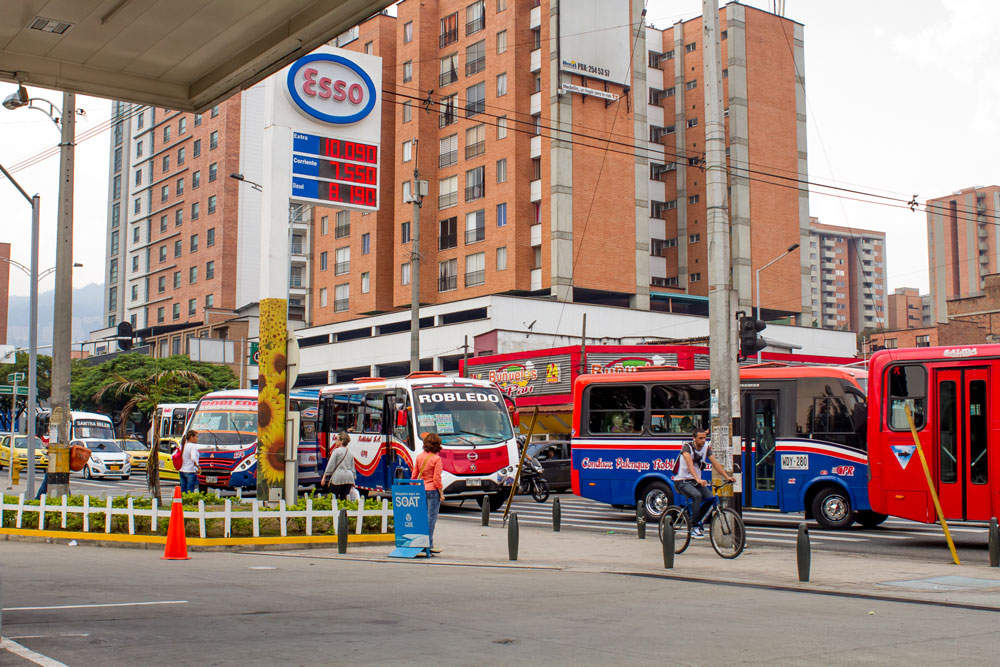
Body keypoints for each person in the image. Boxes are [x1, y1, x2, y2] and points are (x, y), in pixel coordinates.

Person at [674, 428, 734, 538]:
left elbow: (715, 463)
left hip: (695, 481)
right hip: (682, 481)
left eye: (705, 438)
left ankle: (696, 519)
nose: (703, 440)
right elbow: (690, 465)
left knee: (710, 498)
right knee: (697, 495)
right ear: (694, 439)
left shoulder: (706, 447)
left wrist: (727, 477)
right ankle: (694, 527)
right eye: (700, 438)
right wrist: (698, 479)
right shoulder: (687, 448)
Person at [413, 433, 444, 555]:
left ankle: (420, 542)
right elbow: (437, 479)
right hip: (432, 490)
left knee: (422, 517)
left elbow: (414, 475)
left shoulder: (419, 457)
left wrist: (413, 488)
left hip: (421, 489)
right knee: (431, 518)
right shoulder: (436, 459)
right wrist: (441, 493)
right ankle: (428, 543)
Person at [321, 431, 356, 500]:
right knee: (345, 499)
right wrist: (353, 480)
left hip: (338, 478)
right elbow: (353, 468)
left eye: (337, 439)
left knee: (333, 498)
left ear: (341, 441)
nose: (335, 441)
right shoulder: (350, 453)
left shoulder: (336, 451)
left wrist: (324, 477)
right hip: (349, 478)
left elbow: (330, 465)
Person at [178, 430, 202, 494]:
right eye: (196, 437)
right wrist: (198, 467)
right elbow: (193, 458)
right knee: (190, 491)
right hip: (190, 471)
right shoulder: (193, 446)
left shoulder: (182, 445)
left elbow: (173, 456)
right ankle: (189, 500)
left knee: (183, 490)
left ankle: (183, 500)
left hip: (182, 470)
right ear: (191, 437)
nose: (197, 439)